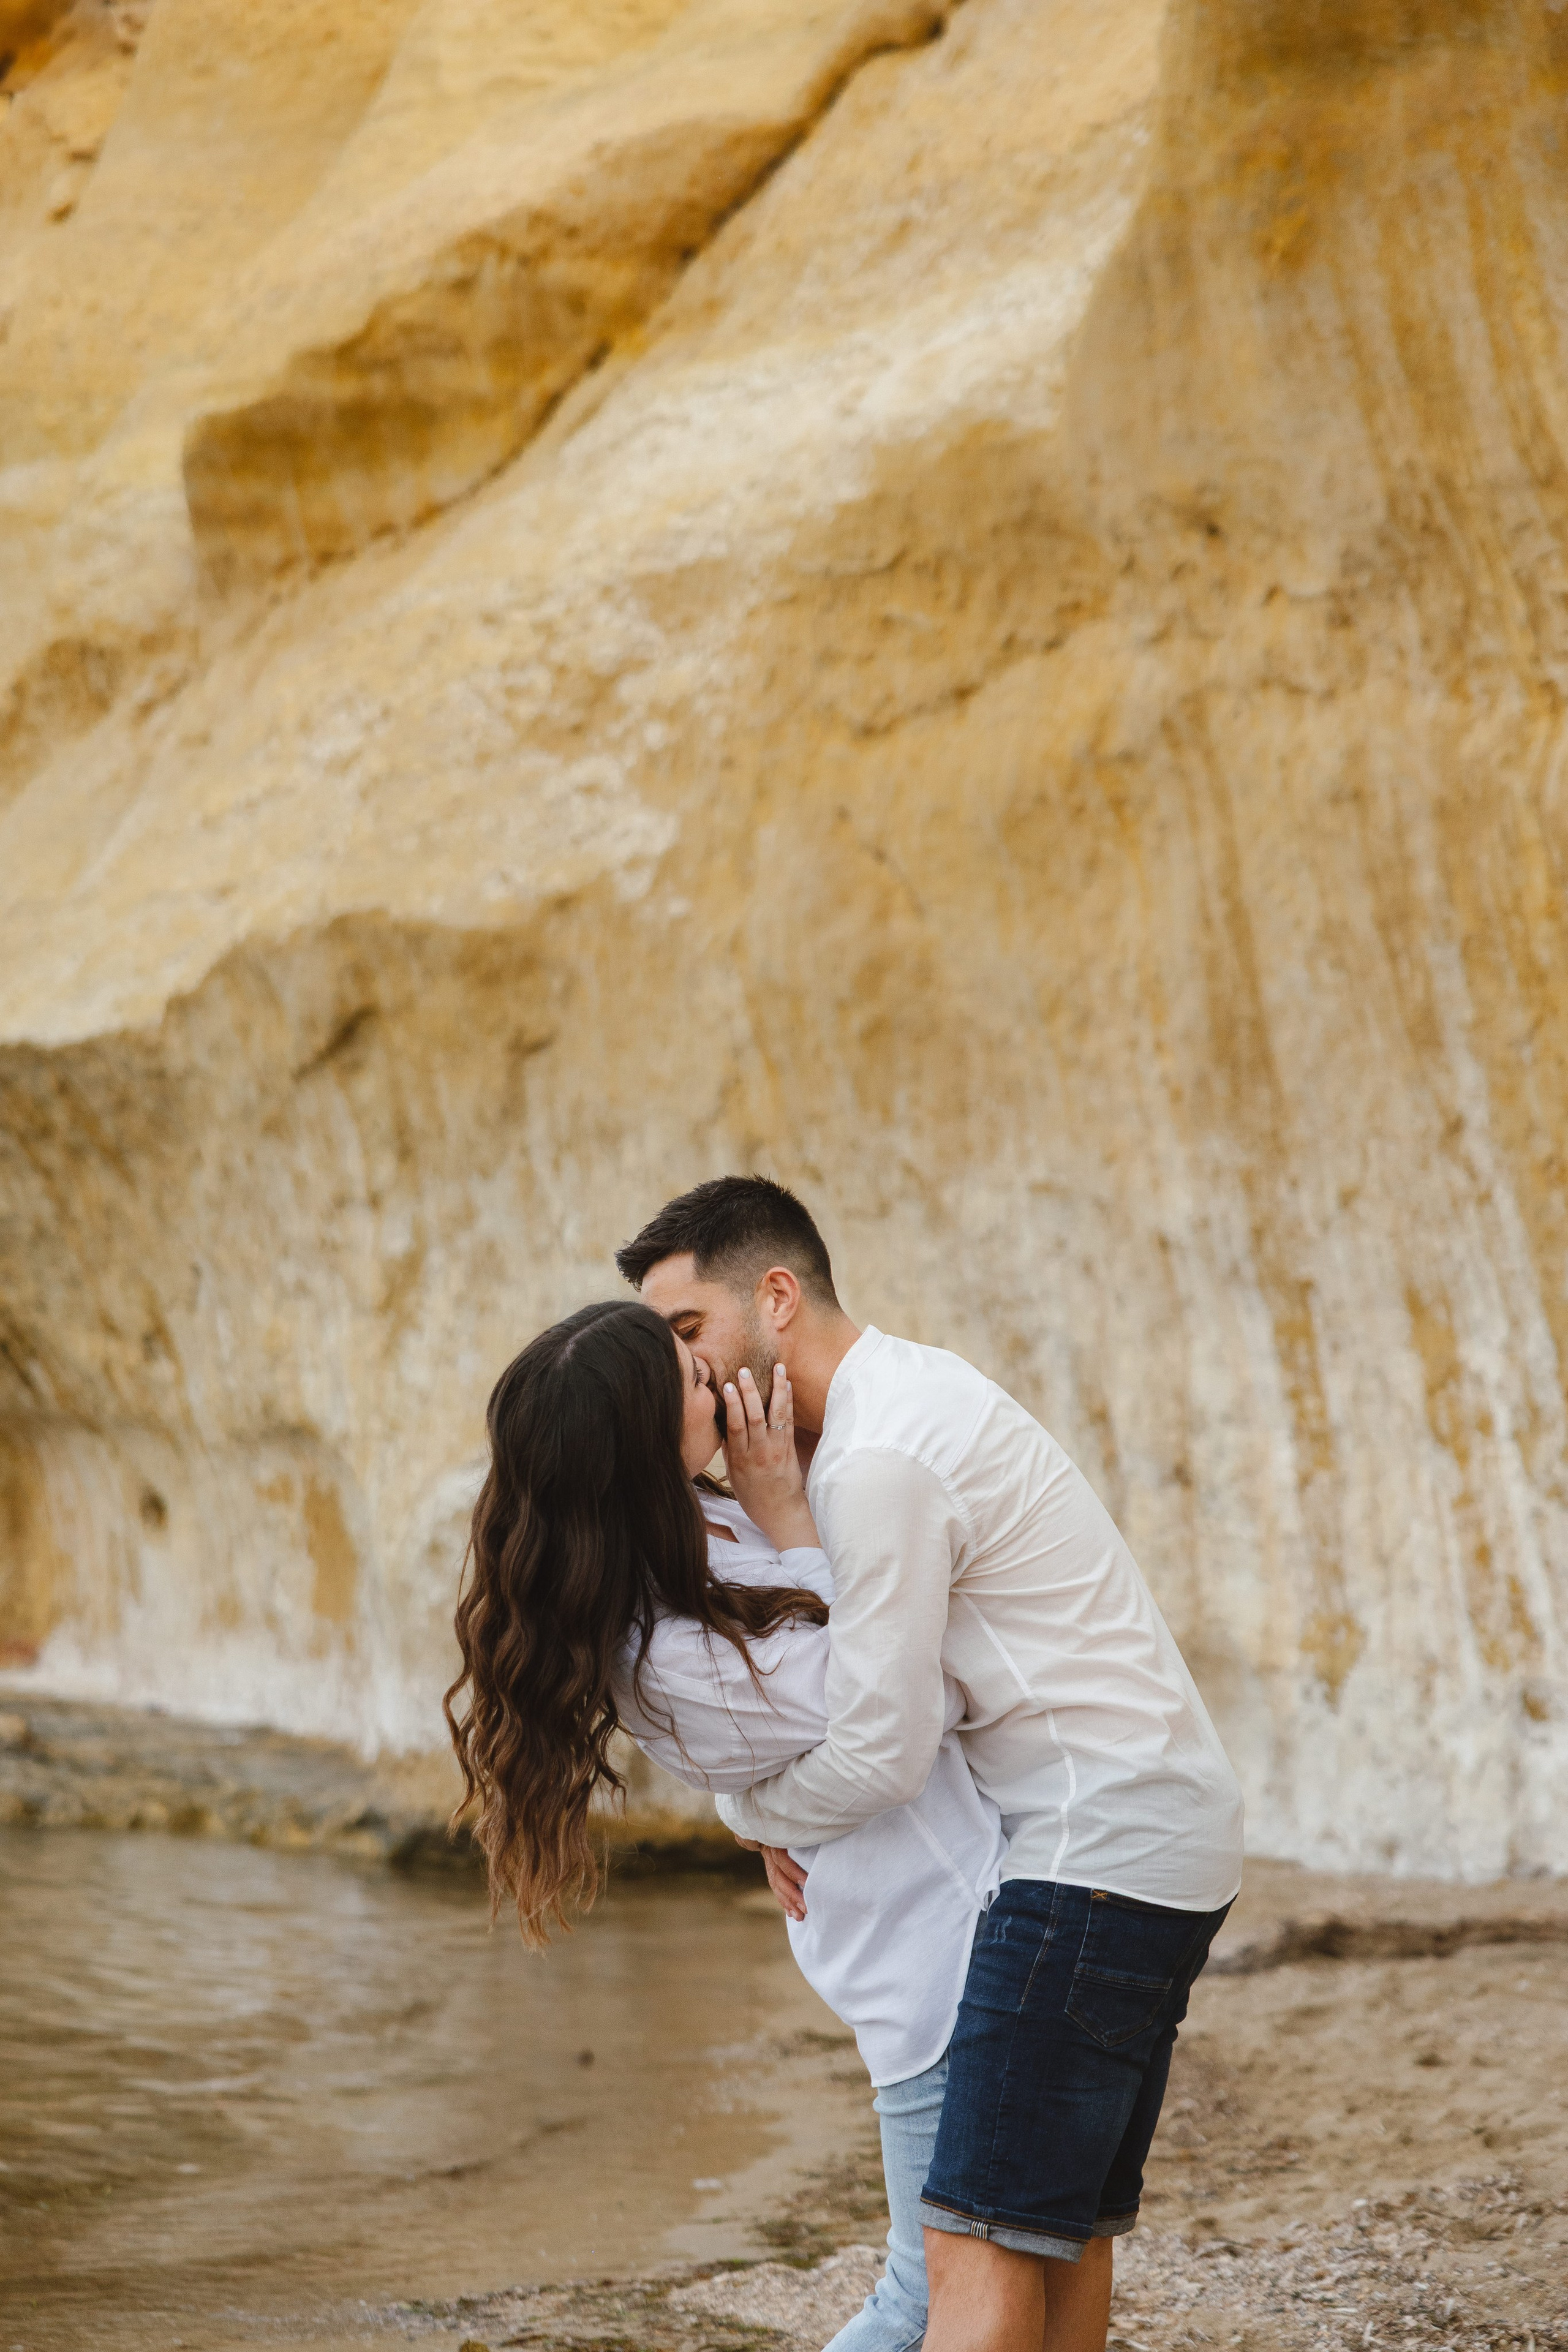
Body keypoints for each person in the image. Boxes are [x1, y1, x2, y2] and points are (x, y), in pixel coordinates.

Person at [616, 1177, 1246, 2352]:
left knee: (970, 2246)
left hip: (1088, 1850)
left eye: (688, 1334)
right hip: (1158, 1831)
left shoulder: (876, 1461)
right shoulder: (907, 1394)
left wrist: (751, 1809)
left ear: (778, 1296)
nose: (685, 1376)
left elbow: (882, 1747)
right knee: (1058, 2237)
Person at [443, 1297, 1005, 2352]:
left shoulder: (701, 1528)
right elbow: (900, 1698)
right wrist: (791, 1511)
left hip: (957, 1909)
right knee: (926, 2293)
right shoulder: (666, 1643)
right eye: (694, 1382)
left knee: (1002, 2260)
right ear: (644, 1445)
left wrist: (748, 1804)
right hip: (928, 1960)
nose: (723, 1377)